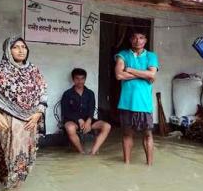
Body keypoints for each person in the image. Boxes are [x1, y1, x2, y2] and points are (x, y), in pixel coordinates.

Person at [0, 36, 47, 189]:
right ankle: (10, 188)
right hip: (9, 120)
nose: (21, 50)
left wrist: (38, 114)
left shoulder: (33, 70)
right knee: (10, 156)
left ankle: (16, 189)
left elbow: (43, 92)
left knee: (26, 156)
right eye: (16, 47)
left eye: (24, 47)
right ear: (8, 50)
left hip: (31, 120)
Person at [114, 31, 159, 166]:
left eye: (141, 38)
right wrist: (144, 75)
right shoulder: (123, 55)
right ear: (130, 39)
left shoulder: (151, 56)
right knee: (127, 135)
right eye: (134, 37)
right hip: (127, 103)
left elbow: (152, 74)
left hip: (145, 104)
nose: (137, 40)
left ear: (145, 40)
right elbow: (119, 76)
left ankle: (149, 165)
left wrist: (130, 70)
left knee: (148, 135)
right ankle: (126, 164)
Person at [61, 68, 111, 155]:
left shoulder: (90, 93)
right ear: (73, 79)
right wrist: (79, 119)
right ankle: (81, 151)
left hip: (88, 120)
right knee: (70, 128)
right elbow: (66, 111)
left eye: (82, 78)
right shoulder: (67, 94)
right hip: (72, 120)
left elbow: (91, 109)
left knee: (107, 126)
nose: (80, 81)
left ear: (85, 79)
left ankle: (93, 151)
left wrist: (88, 121)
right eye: (77, 78)